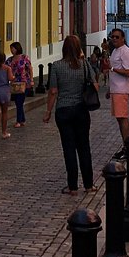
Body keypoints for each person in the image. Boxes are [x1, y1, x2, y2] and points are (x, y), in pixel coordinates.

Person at [43, 34, 99, 194]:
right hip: (81, 110)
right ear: (79, 48)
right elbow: (95, 84)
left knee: (68, 149)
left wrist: (48, 111)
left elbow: (53, 91)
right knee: (84, 147)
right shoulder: (84, 65)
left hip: (63, 110)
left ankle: (72, 186)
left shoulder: (56, 66)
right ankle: (89, 184)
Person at [107, 28, 129, 143]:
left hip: (121, 89)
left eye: (117, 37)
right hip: (115, 88)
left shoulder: (125, 51)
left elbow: (128, 72)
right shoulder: (115, 51)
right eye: (112, 36)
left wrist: (113, 68)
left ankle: (128, 145)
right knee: (119, 118)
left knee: (123, 118)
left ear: (123, 38)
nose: (114, 39)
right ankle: (126, 143)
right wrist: (110, 88)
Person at [8, 41, 33, 129]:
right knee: (18, 102)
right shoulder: (10, 60)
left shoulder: (24, 58)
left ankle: (19, 121)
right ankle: (22, 119)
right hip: (14, 83)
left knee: (19, 101)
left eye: (13, 48)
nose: (11, 50)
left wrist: (31, 80)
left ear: (17, 48)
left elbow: (30, 68)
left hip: (24, 82)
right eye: (10, 49)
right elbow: (6, 69)